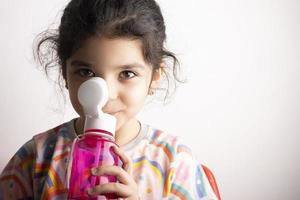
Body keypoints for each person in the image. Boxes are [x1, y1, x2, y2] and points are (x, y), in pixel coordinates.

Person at [0, 0, 221, 199]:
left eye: (127, 74)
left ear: (154, 77)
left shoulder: (174, 163)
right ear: (64, 73)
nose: (106, 96)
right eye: (86, 72)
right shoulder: (36, 157)